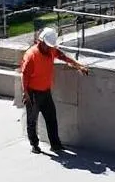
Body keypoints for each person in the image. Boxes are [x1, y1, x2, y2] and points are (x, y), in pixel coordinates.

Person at [20, 26, 90, 155]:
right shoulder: (31, 56)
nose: (49, 48)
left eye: (50, 46)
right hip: (33, 93)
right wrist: (26, 94)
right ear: (40, 42)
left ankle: (55, 145)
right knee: (32, 120)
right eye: (46, 45)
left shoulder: (52, 51)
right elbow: (24, 76)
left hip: (46, 92)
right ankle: (34, 145)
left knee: (51, 118)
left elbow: (64, 57)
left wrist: (79, 66)